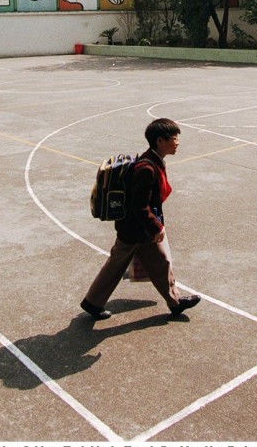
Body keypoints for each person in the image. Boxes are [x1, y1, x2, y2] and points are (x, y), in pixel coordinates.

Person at [80, 118, 201, 320]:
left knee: (160, 263)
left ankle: (175, 302)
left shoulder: (153, 161)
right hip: (135, 230)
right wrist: (156, 227)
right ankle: (92, 303)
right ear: (159, 141)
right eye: (173, 138)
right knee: (116, 266)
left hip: (140, 230)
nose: (177, 142)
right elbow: (139, 206)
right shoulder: (146, 168)